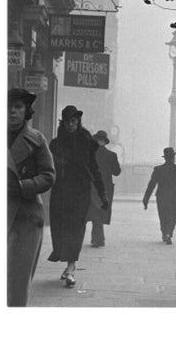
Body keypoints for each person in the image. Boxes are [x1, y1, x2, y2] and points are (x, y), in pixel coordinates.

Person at [48, 106, 109, 287]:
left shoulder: (87, 142)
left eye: (74, 121)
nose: (71, 125)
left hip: (80, 192)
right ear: (63, 122)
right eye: (67, 121)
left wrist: (102, 193)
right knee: (60, 229)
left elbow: (94, 169)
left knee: (76, 228)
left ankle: (71, 268)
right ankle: (67, 263)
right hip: (60, 192)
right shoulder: (55, 144)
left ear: (78, 122)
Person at [8, 88, 55, 307]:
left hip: (26, 216)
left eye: (17, 107)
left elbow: (48, 175)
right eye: (8, 107)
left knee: (18, 278)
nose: (12, 112)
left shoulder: (36, 139)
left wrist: (23, 185)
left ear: (26, 111)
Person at [142, 147, 176, 245]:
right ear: (173, 157)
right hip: (175, 197)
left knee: (163, 216)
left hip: (162, 197)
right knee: (173, 216)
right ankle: (168, 233)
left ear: (165, 158)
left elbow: (151, 185)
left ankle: (165, 233)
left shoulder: (158, 170)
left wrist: (146, 199)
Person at [86, 130, 121, 247]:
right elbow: (117, 172)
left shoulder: (88, 154)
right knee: (100, 211)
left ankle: (98, 238)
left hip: (92, 187)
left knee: (94, 211)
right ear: (105, 142)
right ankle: (98, 237)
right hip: (106, 188)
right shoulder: (112, 155)